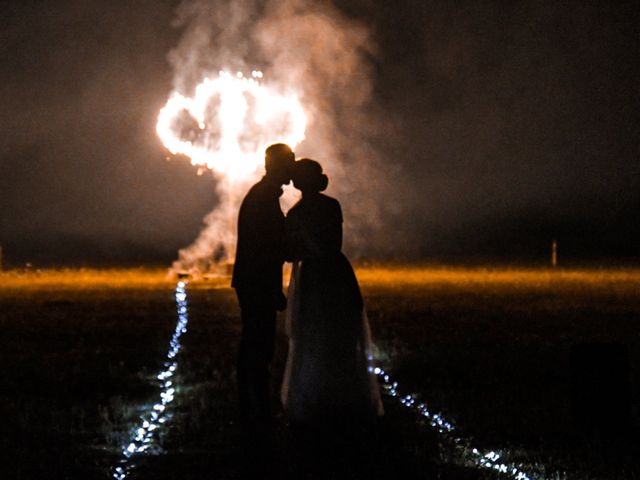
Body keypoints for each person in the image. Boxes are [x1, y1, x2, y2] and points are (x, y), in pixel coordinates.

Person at [281, 159, 383, 429]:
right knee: (329, 333)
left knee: (324, 332)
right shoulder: (325, 207)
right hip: (328, 273)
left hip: (319, 274)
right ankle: (337, 396)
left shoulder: (298, 213)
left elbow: (295, 251)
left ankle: (326, 398)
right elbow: (327, 245)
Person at [232, 143, 295, 427]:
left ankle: (253, 404)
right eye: (289, 162)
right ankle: (255, 408)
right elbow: (266, 246)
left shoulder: (264, 194)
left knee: (256, 343)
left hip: (253, 280)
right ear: (276, 165)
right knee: (258, 344)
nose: (292, 168)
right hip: (257, 281)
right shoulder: (264, 197)